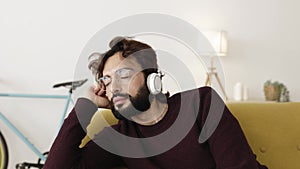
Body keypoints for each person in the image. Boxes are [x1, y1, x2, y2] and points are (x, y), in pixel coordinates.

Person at [44, 37, 268, 169]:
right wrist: (85, 105)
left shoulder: (201, 103)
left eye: (124, 74)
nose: (114, 88)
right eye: (107, 80)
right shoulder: (118, 137)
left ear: (153, 79)